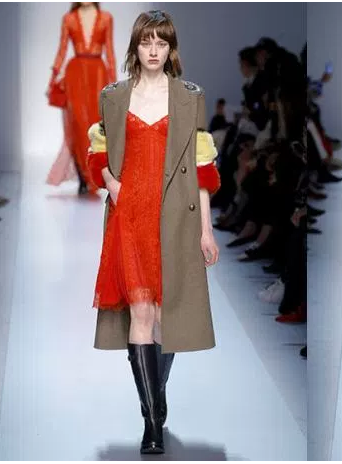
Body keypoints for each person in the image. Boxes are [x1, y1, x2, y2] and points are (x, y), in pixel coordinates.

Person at [85, 10, 221, 454]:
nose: (154, 51)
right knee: (141, 314)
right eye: (147, 42)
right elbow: (97, 151)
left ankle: (155, 400)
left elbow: (203, 169)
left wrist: (206, 230)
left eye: (162, 43)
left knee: (165, 317)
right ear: (136, 46)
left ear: (171, 49)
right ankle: (153, 422)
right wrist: (111, 184)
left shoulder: (189, 97)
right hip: (129, 216)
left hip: (176, 218)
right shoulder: (113, 97)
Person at [47, 2, 116, 194]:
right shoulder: (68, 19)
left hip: (98, 74)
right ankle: (83, 177)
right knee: (77, 124)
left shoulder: (106, 18)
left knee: (95, 123)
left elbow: (110, 51)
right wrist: (53, 78)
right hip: (75, 75)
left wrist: (114, 85)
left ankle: (92, 174)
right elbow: (62, 49)